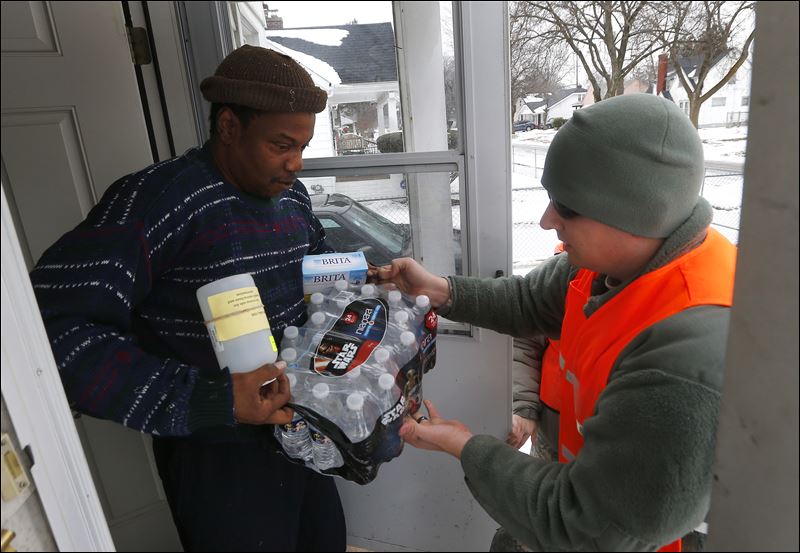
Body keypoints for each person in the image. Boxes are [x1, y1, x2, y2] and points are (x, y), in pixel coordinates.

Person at [375, 93, 736, 551]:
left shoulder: (688, 356)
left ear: (631, 210)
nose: (547, 221)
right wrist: (437, 290)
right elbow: (530, 300)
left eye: (565, 207)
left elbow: (587, 529)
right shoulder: (610, 261)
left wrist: (466, 446)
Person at [29, 45, 346, 552]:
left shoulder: (291, 197)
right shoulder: (157, 202)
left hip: (299, 432)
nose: (295, 163)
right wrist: (213, 398)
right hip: (217, 453)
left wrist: (356, 289)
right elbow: (50, 329)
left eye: (303, 146)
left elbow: (316, 265)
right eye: (281, 144)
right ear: (228, 127)